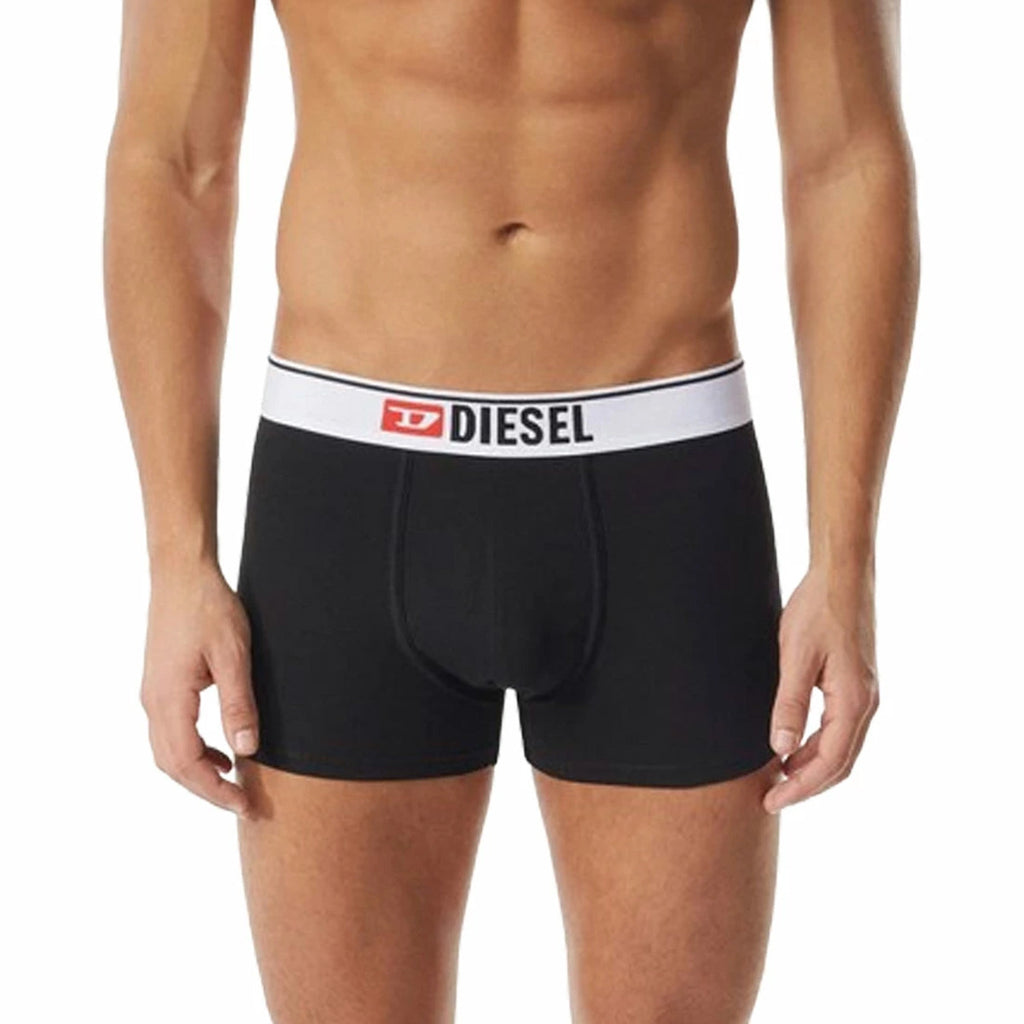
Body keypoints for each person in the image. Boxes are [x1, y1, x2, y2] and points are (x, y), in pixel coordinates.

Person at [103, 0, 918, 1020]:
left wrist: (847, 562)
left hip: (662, 488)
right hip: (348, 487)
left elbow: (846, 159)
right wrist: (176, 557)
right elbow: (173, 161)